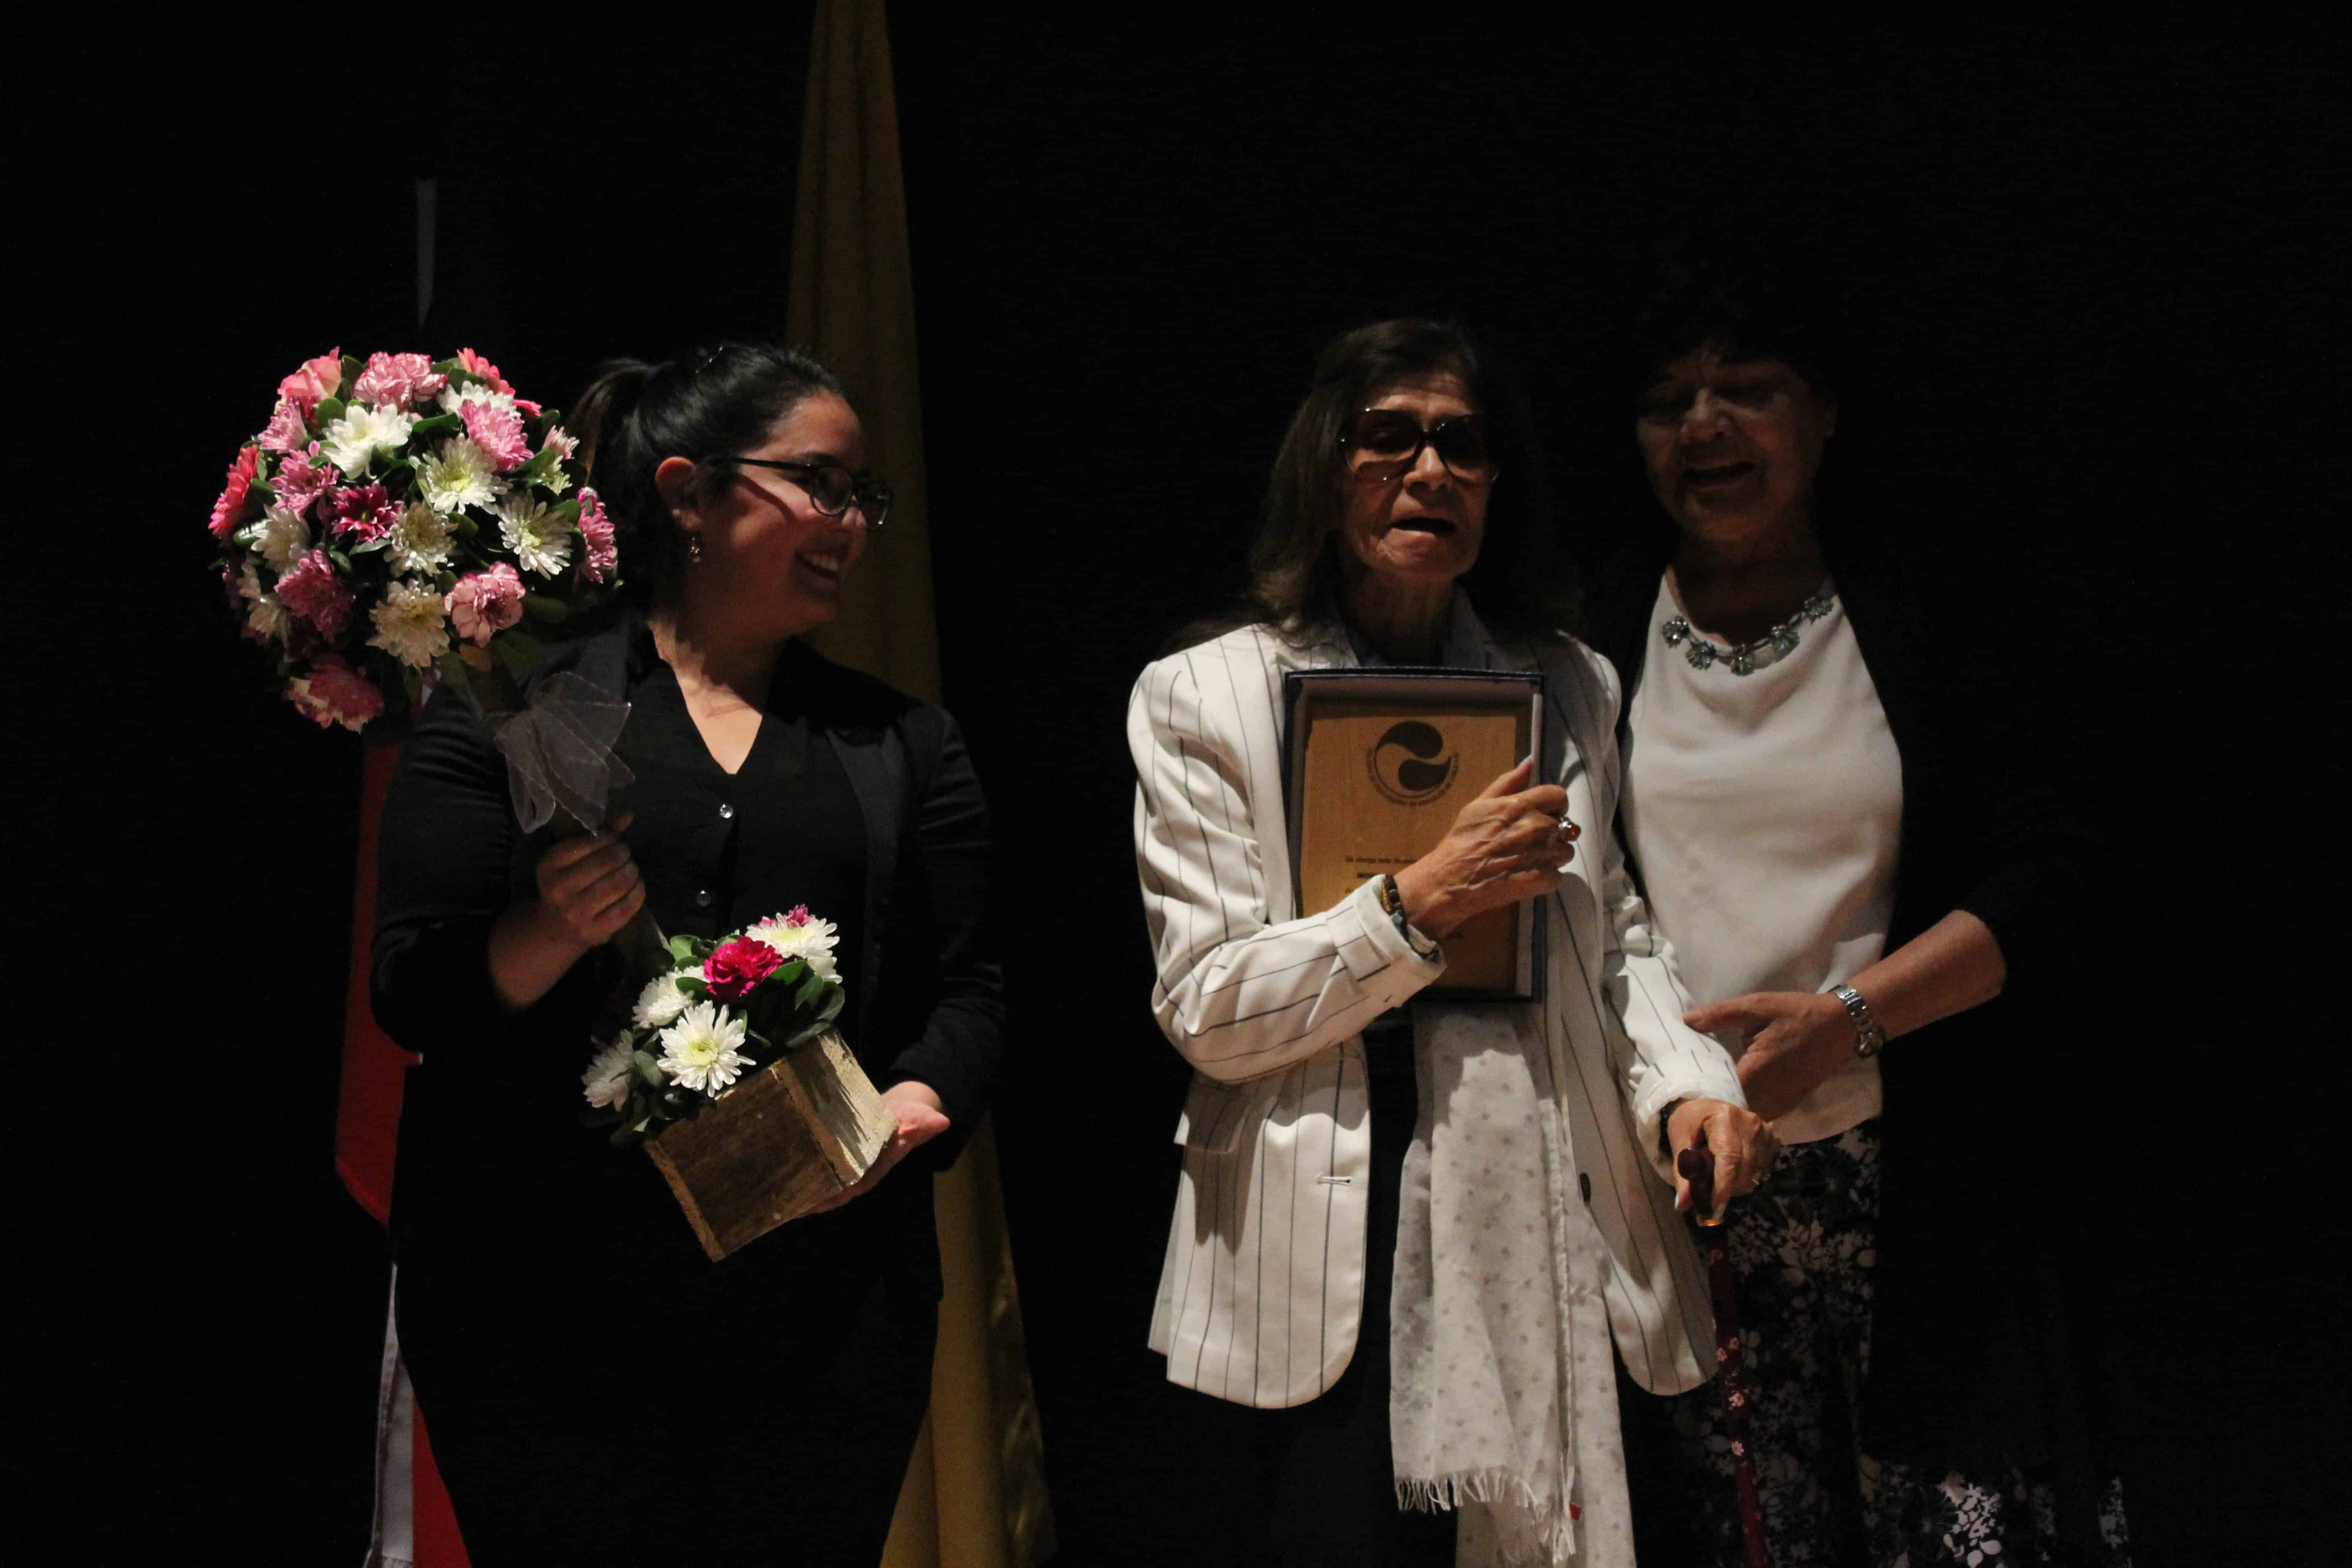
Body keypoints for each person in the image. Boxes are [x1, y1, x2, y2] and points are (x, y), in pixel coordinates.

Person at [1127, 318, 1777, 1567]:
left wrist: (1692, 1087)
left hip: (1546, 1211)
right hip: (1330, 1238)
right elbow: (1211, 1009)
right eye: (1390, 437)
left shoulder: (1570, 682)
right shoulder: (1203, 694)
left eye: (1463, 445)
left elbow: (1613, 938)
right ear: (1328, 467)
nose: (1429, 471)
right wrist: (1416, 905)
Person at [371, 343, 1004, 1564]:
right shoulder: (512, 701)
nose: (847, 523)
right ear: (688, 493)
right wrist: (547, 932)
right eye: (818, 483)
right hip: (538, 1303)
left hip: (821, 1309)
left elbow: (968, 992)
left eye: (861, 496)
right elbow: (411, 987)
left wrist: (915, 1103)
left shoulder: (902, 744)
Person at [1591, 251, 2129, 1565]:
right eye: (1668, 401)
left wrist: (1848, 1022)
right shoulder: (1587, 638)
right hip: (1695, 1198)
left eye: (1747, 388)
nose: (1705, 426)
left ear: (1823, 413)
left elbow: (2055, 870)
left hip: (1926, 1184)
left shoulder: (1932, 608)